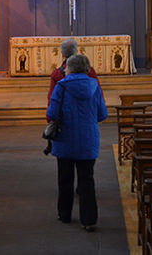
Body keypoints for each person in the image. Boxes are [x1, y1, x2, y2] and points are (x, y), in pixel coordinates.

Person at [47, 53, 108, 230]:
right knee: (87, 180)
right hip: (88, 139)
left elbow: (52, 113)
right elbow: (102, 114)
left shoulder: (61, 86)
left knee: (65, 179)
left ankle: (65, 214)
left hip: (65, 139)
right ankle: (89, 220)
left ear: (69, 68)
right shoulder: (94, 86)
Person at [47, 38, 98, 118]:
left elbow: (52, 100)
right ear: (76, 51)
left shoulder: (57, 74)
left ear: (62, 54)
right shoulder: (90, 71)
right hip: (89, 119)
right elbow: (99, 99)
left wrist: (50, 119)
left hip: (66, 120)